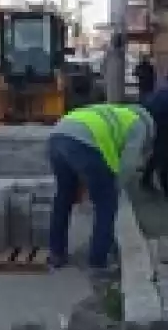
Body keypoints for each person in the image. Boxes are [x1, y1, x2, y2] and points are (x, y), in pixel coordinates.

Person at [47, 99, 154, 271]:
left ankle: (56, 253)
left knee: (64, 197)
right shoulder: (138, 125)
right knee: (106, 203)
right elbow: (128, 164)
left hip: (56, 137)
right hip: (83, 145)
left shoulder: (112, 112)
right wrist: (115, 187)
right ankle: (98, 260)